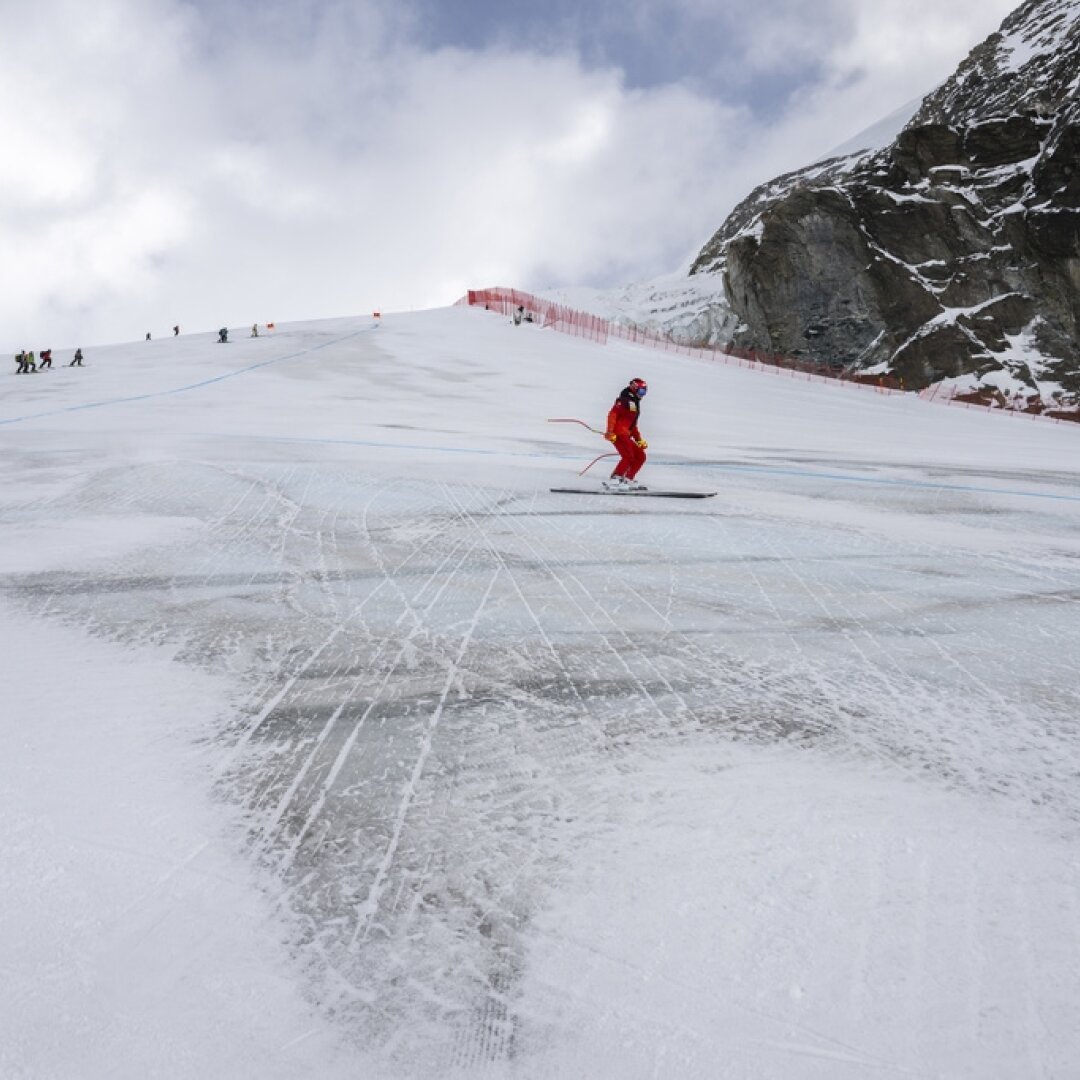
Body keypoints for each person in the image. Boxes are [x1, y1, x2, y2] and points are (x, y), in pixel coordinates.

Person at [603, 377, 649, 491]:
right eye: (641, 391)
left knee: (640, 456)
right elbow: (612, 415)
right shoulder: (624, 400)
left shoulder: (634, 403)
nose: (643, 394)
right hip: (618, 434)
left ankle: (628, 479)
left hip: (626, 434)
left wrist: (639, 440)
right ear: (634, 388)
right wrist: (610, 431)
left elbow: (632, 425)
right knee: (628, 456)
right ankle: (615, 480)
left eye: (645, 391)